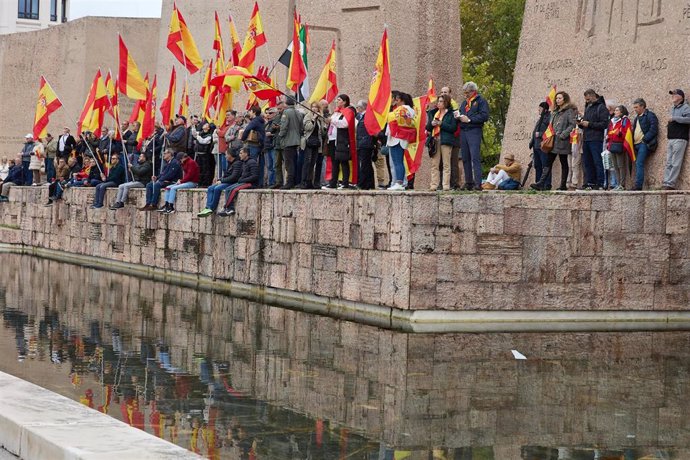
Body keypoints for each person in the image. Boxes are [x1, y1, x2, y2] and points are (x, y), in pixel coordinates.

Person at [531, 91, 575, 191]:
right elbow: (551, 126)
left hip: (563, 141)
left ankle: (563, 185)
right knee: (548, 162)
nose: (557, 100)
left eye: (559, 98)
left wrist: (563, 134)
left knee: (563, 162)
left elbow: (572, 125)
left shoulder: (569, 111)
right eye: (556, 98)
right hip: (553, 141)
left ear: (565, 99)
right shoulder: (554, 111)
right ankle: (541, 183)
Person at [457, 82, 490, 190]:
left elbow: (484, 116)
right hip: (463, 131)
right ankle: (469, 182)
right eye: (464, 92)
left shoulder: (480, 101)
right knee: (465, 158)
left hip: (474, 130)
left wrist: (470, 119)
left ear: (472, 91)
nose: (465, 95)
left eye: (467, 92)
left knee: (475, 157)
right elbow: (462, 112)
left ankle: (478, 183)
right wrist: (458, 116)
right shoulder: (464, 103)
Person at [577, 89, 609, 189]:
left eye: (587, 99)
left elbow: (604, 124)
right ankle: (590, 182)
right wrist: (581, 124)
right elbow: (587, 123)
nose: (586, 101)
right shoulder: (588, 107)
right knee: (588, 162)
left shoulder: (601, 107)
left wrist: (589, 124)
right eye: (585, 99)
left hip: (596, 139)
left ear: (593, 96)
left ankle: (600, 183)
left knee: (597, 161)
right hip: (586, 138)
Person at [426, 94, 459, 191]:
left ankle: (446, 186)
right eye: (438, 101)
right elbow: (427, 128)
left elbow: (453, 128)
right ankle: (434, 185)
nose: (439, 103)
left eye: (441, 101)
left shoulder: (451, 113)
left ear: (446, 102)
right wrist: (431, 124)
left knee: (446, 164)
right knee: (434, 164)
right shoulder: (434, 113)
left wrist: (441, 124)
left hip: (446, 140)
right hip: (435, 140)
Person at [197, 150, 243, 217]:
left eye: (226, 154)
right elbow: (227, 174)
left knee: (217, 188)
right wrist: (220, 179)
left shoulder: (237, 163)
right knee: (210, 188)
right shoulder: (230, 163)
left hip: (232, 182)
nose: (225, 156)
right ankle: (208, 207)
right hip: (226, 181)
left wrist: (222, 181)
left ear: (230, 155)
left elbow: (234, 177)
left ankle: (212, 208)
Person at [326, 94, 357, 190]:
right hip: (332, 140)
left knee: (343, 161)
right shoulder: (336, 112)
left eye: (339, 100)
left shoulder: (348, 112)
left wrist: (332, 121)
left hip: (342, 140)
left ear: (344, 102)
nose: (336, 101)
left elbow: (345, 124)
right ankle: (333, 182)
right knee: (334, 162)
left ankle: (345, 182)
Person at [385, 92, 416, 191]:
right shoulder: (407, 109)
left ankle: (399, 182)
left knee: (397, 161)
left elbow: (393, 118)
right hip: (399, 136)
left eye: (397, 99)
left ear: (402, 100)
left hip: (398, 137)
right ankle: (399, 181)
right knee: (397, 161)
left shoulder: (404, 109)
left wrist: (385, 113)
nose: (395, 101)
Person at [218, 147, 259, 217]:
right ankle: (229, 208)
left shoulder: (252, 162)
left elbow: (255, 176)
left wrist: (243, 180)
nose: (239, 155)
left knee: (234, 190)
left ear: (246, 154)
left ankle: (228, 208)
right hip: (243, 182)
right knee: (228, 189)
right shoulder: (244, 163)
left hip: (250, 183)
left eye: (241, 153)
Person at [662, 89, 690, 190]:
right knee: (669, 162)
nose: (673, 96)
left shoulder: (686, 107)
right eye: (672, 94)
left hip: (680, 138)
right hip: (671, 138)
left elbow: (688, 119)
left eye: (675, 94)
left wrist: (675, 118)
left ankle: (670, 184)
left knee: (675, 162)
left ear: (681, 97)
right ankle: (666, 182)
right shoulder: (672, 108)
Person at [631, 98, 659, 190]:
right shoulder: (637, 118)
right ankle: (637, 184)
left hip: (644, 144)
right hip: (636, 144)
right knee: (637, 163)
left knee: (639, 163)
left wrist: (645, 139)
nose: (635, 109)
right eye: (634, 107)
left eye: (636, 107)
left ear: (642, 106)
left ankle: (638, 186)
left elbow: (654, 129)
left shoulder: (650, 115)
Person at [299, 102, 326, 189]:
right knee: (307, 162)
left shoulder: (320, 118)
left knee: (313, 162)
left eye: (316, 107)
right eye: (313, 107)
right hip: (309, 141)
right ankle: (303, 182)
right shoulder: (308, 116)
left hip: (317, 142)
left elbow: (322, 131)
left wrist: (325, 124)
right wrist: (313, 119)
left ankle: (311, 182)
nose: (314, 109)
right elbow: (308, 128)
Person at [439, 86, 461, 188]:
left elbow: (456, 122)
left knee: (453, 162)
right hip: (443, 138)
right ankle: (442, 183)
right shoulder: (439, 107)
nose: (444, 93)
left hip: (454, 137)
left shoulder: (454, 105)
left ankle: (455, 183)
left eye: (446, 92)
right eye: (442, 92)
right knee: (441, 162)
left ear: (450, 94)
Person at [278, 98, 303, 189]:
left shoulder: (286, 112)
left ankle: (289, 182)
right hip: (296, 139)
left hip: (288, 140)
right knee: (294, 161)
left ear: (286, 103)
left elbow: (284, 126)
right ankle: (295, 180)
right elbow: (301, 126)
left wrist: (280, 135)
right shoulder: (298, 113)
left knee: (289, 163)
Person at [605, 105, 632, 190]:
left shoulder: (624, 120)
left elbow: (626, 132)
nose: (615, 112)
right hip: (612, 145)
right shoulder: (612, 121)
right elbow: (610, 131)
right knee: (615, 166)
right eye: (615, 110)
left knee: (621, 165)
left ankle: (622, 184)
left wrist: (618, 133)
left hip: (620, 145)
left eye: (617, 110)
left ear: (621, 112)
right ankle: (617, 183)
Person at [354, 101, 377, 190]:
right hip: (364, 143)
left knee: (364, 164)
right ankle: (369, 184)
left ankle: (363, 184)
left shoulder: (367, 116)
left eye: (358, 107)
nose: (357, 109)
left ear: (361, 107)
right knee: (367, 165)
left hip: (366, 143)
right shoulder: (362, 117)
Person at [529, 102, 552, 189]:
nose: (538, 110)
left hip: (543, 146)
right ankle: (538, 183)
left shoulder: (549, 118)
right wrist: (532, 142)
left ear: (545, 109)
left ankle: (547, 185)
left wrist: (541, 134)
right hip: (536, 146)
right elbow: (535, 132)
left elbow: (551, 131)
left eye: (540, 108)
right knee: (537, 166)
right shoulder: (540, 119)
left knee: (545, 165)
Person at [241, 106, 266, 185]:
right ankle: (260, 182)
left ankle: (253, 183)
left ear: (254, 112)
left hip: (254, 144)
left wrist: (243, 138)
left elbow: (247, 129)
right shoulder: (261, 120)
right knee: (260, 165)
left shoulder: (254, 121)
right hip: (261, 144)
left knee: (252, 164)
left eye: (250, 111)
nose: (249, 113)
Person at [191, 122, 215, 187]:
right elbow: (194, 134)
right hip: (199, 154)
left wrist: (197, 137)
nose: (204, 125)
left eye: (206, 125)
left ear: (208, 128)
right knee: (199, 169)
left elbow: (203, 141)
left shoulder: (209, 135)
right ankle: (199, 182)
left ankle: (205, 183)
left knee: (205, 170)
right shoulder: (201, 133)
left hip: (205, 155)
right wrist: (193, 126)